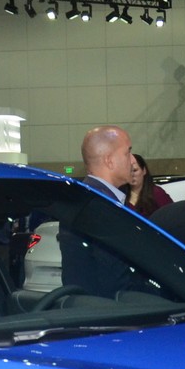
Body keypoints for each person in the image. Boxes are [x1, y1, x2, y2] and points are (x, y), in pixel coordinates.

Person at [58, 125, 138, 296]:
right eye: (127, 152)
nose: (132, 160)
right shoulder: (102, 206)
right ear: (109, 160)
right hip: (111, 311)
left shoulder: (85, 197)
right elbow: (116, 278)